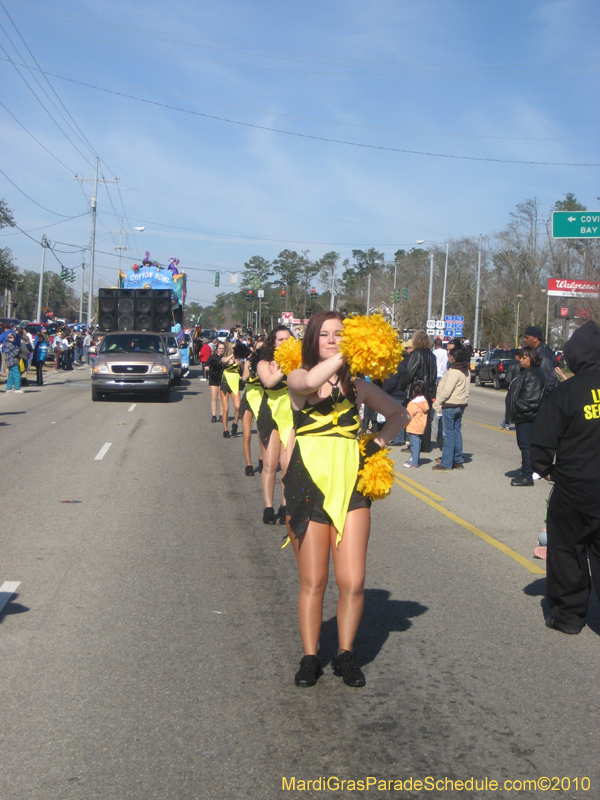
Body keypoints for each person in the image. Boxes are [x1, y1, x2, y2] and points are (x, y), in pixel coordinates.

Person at [284, 311, 409, 688]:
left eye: (341, 334)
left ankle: (345, 655)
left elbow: (399, 415)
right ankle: (310, 657)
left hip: (351, 485)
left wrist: (375, 446)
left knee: (353, 581)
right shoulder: (298, 378)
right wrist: (349, 350)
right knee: (314, 580)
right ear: (312, 340)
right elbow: (310, 381)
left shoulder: (358, 387)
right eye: (325, 335)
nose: (334, 340)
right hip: (307, 484)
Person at [531, 320, 600, 634]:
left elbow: (543, 441)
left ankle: (568, 616)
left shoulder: (568, 391)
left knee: (566, 551)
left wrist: (546, 468)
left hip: (574, 487)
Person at [256, 326, 295, 525]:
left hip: (290, 415)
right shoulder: (264, 362)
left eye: (288, 339)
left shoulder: (298, 363)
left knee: (287, 466)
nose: (284, 342)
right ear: (273, 342)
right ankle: (269, 507)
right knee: (270, 464)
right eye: (280, 339)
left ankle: (285, 505)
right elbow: (269, 382)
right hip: (269, 413)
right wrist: (285, 366)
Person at [505, 346, 546, 487]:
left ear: (532, 358)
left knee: (526, 446)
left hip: (527, 417)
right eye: (520, 358)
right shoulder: (525, 373)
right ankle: (526, 471)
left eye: (524, 358)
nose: (521, 361)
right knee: (524, 445)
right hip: (522, 417)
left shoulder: (533, 375)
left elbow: (531, 400)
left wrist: (515, 407)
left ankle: (527, 475)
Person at [432, 347, 470, 471]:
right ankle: (458, 460)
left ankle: (446, 462)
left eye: (451, 355)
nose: (449, 357)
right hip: (461, 404)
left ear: (454, 357)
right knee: (456, 432)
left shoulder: (454, 371)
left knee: (448, 434)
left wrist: (438, 402)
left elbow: (447, 390)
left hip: (450, 405)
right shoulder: (466, 371)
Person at [401, 331, 437, 452]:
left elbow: (410, 372)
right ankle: (425, 445)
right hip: (429, 389)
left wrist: (402, 385)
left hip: (417, 389)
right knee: (426, 417)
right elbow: (434, 374)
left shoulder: (415, 354)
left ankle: (414, 446)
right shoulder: (432, 356)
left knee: (414, 417)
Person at [240, 340, 265, 476]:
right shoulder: (249, 361)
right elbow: (244, 377)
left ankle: (262, 458)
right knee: (247, 434)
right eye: (259, 348)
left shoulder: (268, 363)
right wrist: (250, 369)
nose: (261, 350)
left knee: (262, 433)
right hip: (249, 397)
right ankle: (249, 465)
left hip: (262, 397)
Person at [523, 326, 558, 395]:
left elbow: (549, 381)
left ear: (535, 339)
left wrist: (540, 397)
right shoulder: (537, 352)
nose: (524, 340)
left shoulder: (543, 355)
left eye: (527, 337)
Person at [220, 342, 244, 438]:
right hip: (225, 382)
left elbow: (243, 369)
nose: (235, 350)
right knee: (225, 409)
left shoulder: (238, 359)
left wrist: (240, 363)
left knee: (238, 406)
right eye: (233, 348)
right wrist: (231, 355)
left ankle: (235, 424)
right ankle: (225, 430)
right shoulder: (225, 357)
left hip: (235, 383)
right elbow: (224, 361)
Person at [403, 380, 429, 468]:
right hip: (421, 427)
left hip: (413, 426)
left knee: (414, 445)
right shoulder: (425, 403)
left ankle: (414, 462)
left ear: (413, 391)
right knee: (417, 443)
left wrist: (404, 425)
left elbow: (408, 415)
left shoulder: (413, 403)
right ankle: (413, 459)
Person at [206, 341, 225, 422]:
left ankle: (221, 415)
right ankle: (214, 415)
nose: (221, 350)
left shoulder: (225, 358)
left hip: (222, 379)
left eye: (223, 349)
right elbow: (206, 367)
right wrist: (213, 368)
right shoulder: (212, 357)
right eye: (220, 348)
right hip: (213, 379)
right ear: (216, 349)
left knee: (221, 398)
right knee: (214, 398)